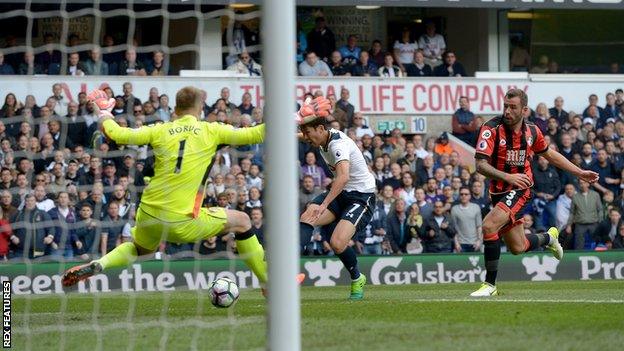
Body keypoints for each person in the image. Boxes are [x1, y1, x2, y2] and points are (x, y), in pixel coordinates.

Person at [62, 87, 327, 293]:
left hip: (149, 214)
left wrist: (104, 113)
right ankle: (271, 283)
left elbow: (118, 135)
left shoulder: (160, 129)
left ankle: (101, 264)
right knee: (243, 220)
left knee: (139, 249)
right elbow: (256, 134)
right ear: (200, 108)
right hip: (181, 219)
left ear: (175, 108)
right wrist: (297, 116)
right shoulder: (210, 130)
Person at [470, 88, 598, 297]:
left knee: (488, 226)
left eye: (513, 107)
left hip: (521, 188)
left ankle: (490, 285)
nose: (508, 111)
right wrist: (507, 177)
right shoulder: (491, 128)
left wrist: (579, 172)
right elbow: (480, 165)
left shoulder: (533, 132)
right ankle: (549, 238)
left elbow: (550, 155)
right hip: (499, 190)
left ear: (524, 110)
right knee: (518, 247)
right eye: (505, 106)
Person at [298, 100, 376, 300]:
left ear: (321, 128)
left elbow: (342, 177)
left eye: (308, 133)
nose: (306, 138)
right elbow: (300, 134)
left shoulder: (337, 145)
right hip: (342, 193)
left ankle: (357, 277)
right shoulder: (320, 136)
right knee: (308, 216)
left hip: (361, 196)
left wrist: (324, 205)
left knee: (337, 243)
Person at [451, 187, 482, 252]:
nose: (463, 196)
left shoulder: (476, 207)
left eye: (466, 194)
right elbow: (453, 228)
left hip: (474, 243)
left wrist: (479, 240)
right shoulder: (454, 209)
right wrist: (456, 243)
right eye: (461, 194)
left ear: (470, 196)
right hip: (461, 243)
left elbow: (479, 226)